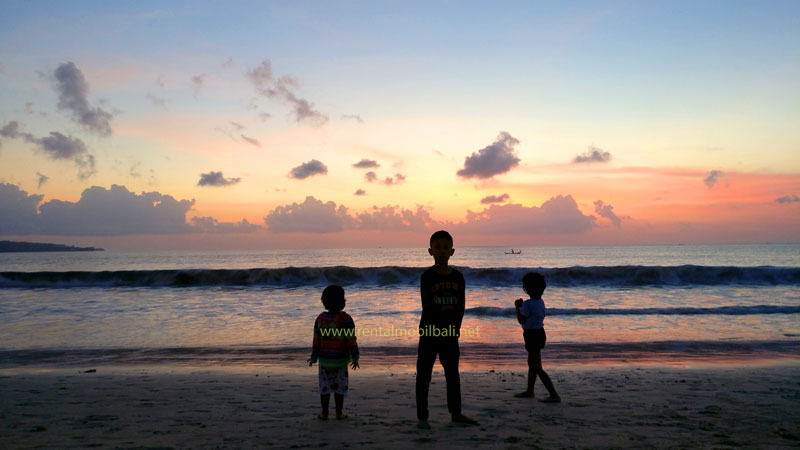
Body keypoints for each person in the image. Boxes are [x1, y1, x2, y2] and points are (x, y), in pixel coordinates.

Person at [416, 230, 478, 429]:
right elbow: (427, 306)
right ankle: (422, 418)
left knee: (452, 374)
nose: (442, 251)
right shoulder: (427, 277)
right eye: (437, 247)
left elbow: (461, 306)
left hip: (450, 333)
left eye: (446, 247)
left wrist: (455, 329)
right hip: (429, 333)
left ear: (452, 251)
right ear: (430, 251)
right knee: (423, 375)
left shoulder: (458, 277)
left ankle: (456, 413)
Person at [308, 284, 360, 420]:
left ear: (324, 302)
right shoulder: (346, 319)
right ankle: (338, 412)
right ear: (342, 303)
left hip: (324, 361)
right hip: (341, 360)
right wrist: (355, 356)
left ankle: (324, 413)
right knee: (339, 388)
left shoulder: (320, 319)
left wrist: (314, 356)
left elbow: (316, 339)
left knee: (325, 388)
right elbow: (351, 340)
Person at [513, 272, 560, 402]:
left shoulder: (528, 304)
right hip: (539, 333)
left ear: (527, 288)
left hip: (531, 335)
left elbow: (521, 320)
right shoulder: (540, 302)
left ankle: (554, 394)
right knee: (532, 363)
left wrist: (517, 307)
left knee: (537, 367)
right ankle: (530, 390)